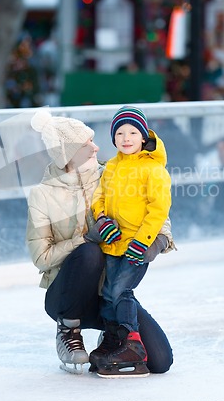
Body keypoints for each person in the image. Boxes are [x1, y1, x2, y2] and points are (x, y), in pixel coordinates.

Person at [26, 108, 174, 376]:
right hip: (68, 294)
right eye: (86, 144)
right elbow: (41, 257)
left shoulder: (112, 172)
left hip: (108, 290)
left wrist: (159, 240)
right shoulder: (43, 195)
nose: (96, 147)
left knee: (161, 361)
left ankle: (113, 338)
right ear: (67, 153)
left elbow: (155, 210)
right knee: (90, 252)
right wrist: (84, 239)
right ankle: (68, 329)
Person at [89, 106, 173, 377]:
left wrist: (143, 241)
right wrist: (101, 220)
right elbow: (98, 197)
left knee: (121, 293)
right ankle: (114, 340)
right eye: (120, 133)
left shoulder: (152, 169)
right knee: (108, 294)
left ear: (143, 135)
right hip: (112, 243)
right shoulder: (111, 166)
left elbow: (159, 209)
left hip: (136, 246)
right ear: (113, 139)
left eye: (133, 132)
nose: (126, 138)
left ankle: (132, 345)